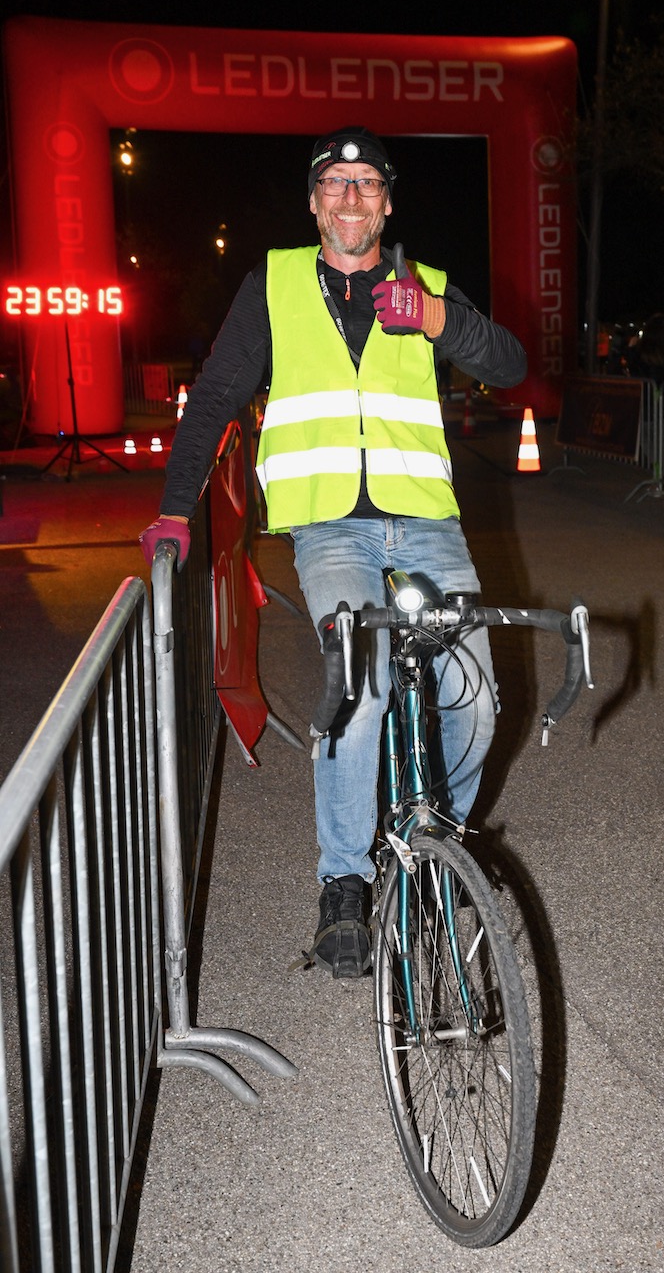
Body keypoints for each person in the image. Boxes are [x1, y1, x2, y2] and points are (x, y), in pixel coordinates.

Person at [139, 127, 527, 979]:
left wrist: (437, 319)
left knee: (479, 700)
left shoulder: (424, 287)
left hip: (426, 524)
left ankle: (440, 846)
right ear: (314, 203)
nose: (351, 198)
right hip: (331, 530)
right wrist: (175, 509)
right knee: (365, 682)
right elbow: (212, 399)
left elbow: (510, 362)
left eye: (366, 184)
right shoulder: (273, 284)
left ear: (387, 202)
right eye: (334, 184)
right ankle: (343, 883)